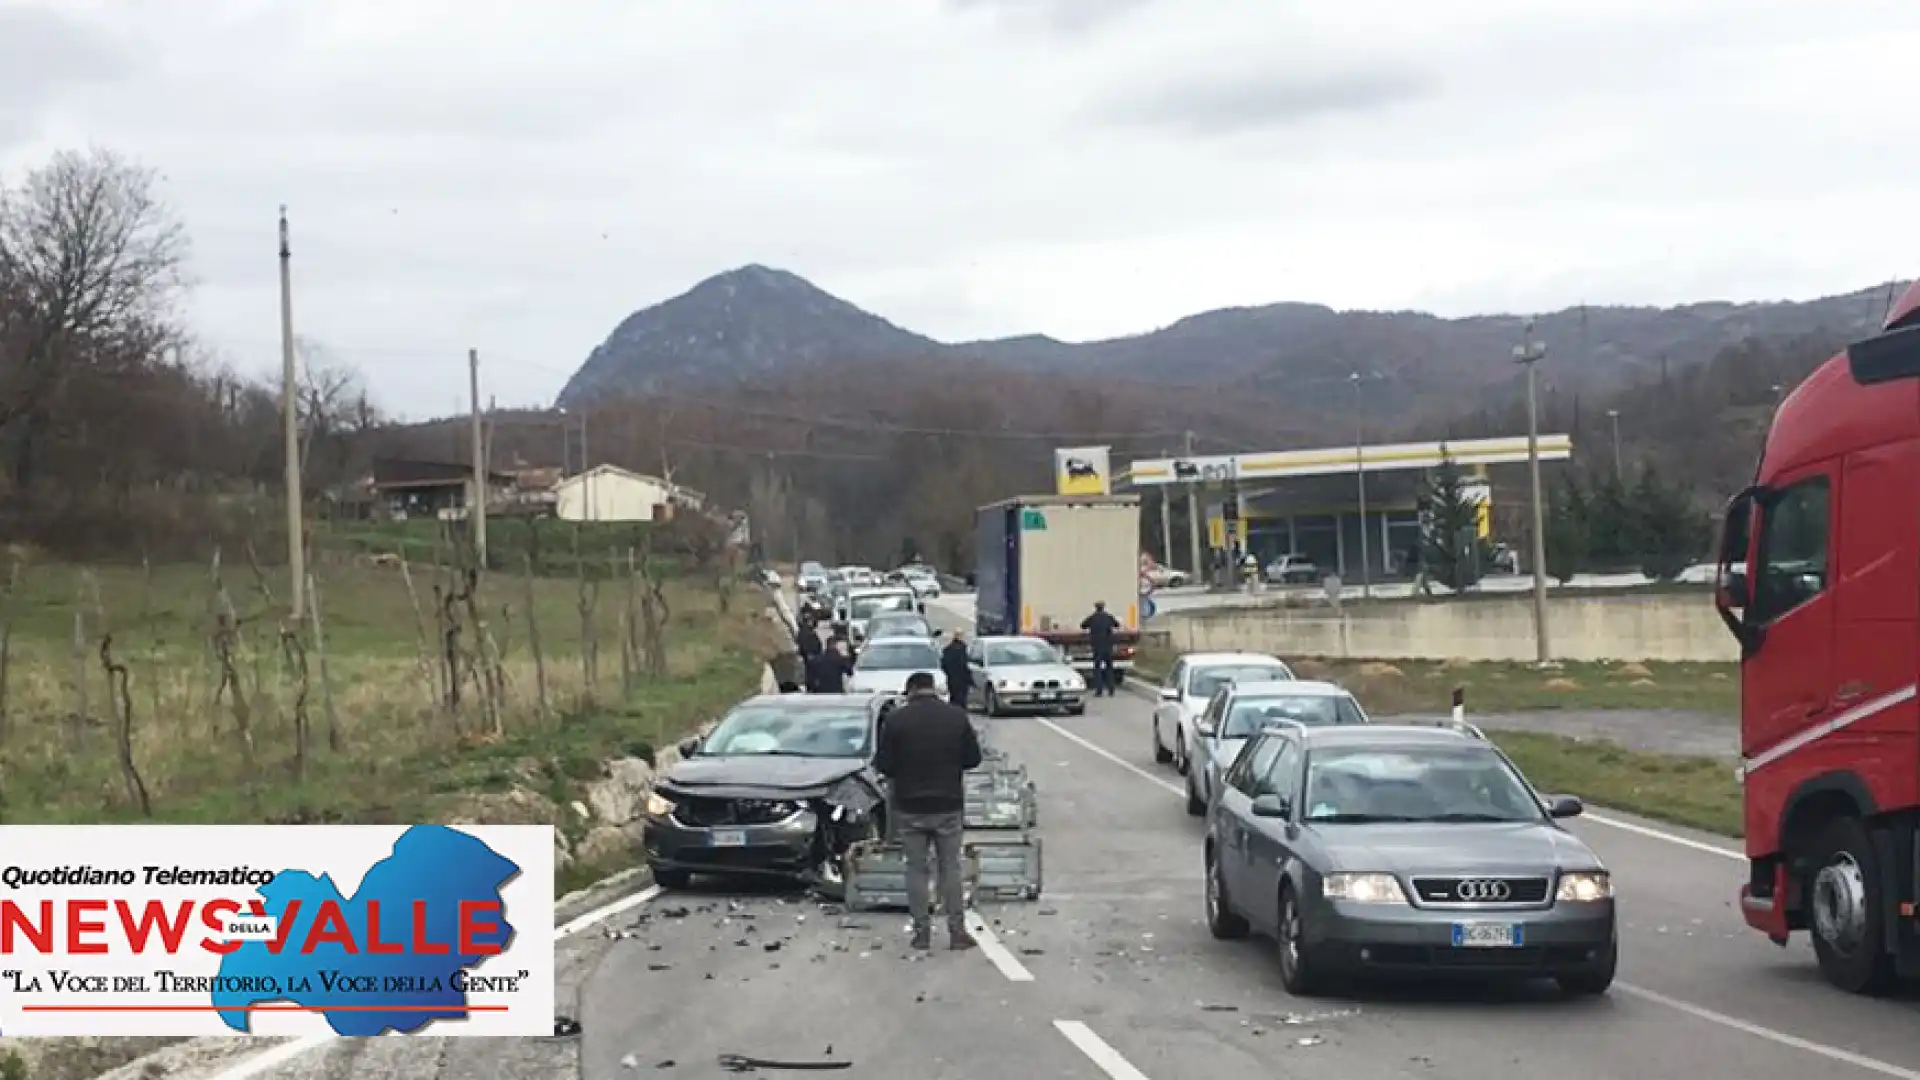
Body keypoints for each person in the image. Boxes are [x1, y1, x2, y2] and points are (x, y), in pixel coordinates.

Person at [872, 671, 982, 951]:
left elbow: (883, 764)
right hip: (948, 804)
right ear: (934, 689)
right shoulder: (956, 716)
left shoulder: (897, 720)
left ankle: (921, 932)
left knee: (916, 870)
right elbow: (973, 759)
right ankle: (957, 932)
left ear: (909, 691)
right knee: (950, 868)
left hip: (909, 807)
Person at [1080, 600, 1120, 697]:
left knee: (1097, 669)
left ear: (1096, 608)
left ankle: (1099, 690)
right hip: (1108, 647)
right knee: (1109, 668)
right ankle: (1111, 690)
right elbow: (1117, 624)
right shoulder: (1108, 617)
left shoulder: (1092, 618)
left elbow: (1083, 625)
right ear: (1103, 607)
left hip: (1097, 647)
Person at [940, 630, 973, 710]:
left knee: (954, 699)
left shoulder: (947, 649)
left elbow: (943, 665)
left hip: (952, 679)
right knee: (961, 701)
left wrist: (948, 674)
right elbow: (965, 665)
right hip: (962, 680)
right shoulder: (962, 648)